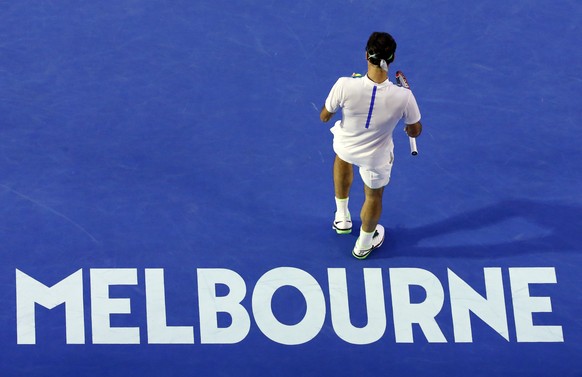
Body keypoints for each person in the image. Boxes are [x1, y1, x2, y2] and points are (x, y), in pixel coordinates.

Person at [320, 31, 422, 259]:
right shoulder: (404, 97)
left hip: (346, 147)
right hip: (375, 159)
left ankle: (342, 217)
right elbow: (415, 129)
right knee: (374, 197)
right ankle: (364, 244)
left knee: (342, 157)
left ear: (366, 55)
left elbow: (325, 116)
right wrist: (407, 125)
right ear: (392, 58)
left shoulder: (344, 84)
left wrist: (352, 88)